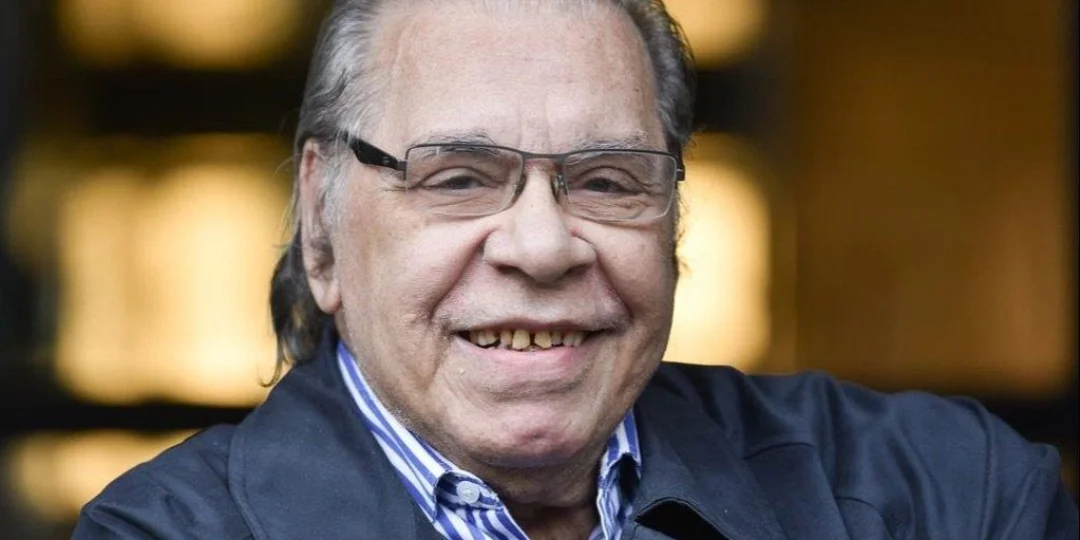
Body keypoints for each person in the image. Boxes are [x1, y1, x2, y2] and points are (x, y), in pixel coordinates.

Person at [74, 0, 1078, 538]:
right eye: (459, 177)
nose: (544, 246)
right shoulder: (166, 535)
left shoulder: (940, 493)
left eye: (606, 180)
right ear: (323, 229)